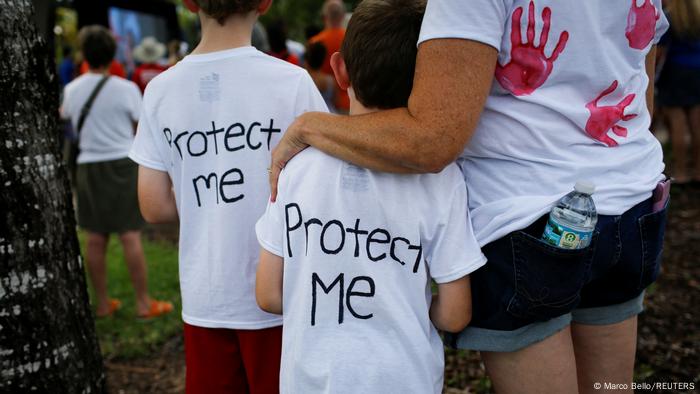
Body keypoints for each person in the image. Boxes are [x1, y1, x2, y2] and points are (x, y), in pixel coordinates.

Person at [270, 0, 670, 393]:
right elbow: (642, 73)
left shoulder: (306, 176)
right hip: (629, 198)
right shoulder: (441, 192)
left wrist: (308, 127)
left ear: (341, 69)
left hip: (523, 215)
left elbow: (433, 140)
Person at [255, 1, 484, 392]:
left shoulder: (294, 168)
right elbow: (455, 313)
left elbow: (268, 294)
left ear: (340, 70)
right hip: (405, 380)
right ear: (427, 80)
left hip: (309, 380)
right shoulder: (440, 179)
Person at [129, 0, 328, 392]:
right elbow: (322, 181)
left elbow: (153, 207)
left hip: (206, 295)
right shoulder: (292, 82)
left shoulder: (160, 91)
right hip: (279, 293)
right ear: (265, 3)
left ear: (188, 4)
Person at [60, 25, 173, 319]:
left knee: (96, 238)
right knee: (130, 235)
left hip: (88, 167)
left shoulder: (72, 90)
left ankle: (101, 305)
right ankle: (143, 303)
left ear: (84, 55)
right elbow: (140, 130)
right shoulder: (126, 89)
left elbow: (68, 121)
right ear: (113, 56)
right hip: (123, 165)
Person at [658, 0, 700, 184]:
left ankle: (681, 172)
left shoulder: (671, 17)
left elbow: (659, 51)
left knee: (678, 123)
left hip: (676, 71)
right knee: (697, 123)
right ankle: (698, 169)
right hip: (698, 70)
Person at [309, 0, 349, 112]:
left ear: (324, 17)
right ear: (343, 16)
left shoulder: (315, 43)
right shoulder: (353, 40)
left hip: (323, 106)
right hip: (351, 103)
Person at [305, 42, 335, 112]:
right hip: (330, 114)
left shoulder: (304, 80)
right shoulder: (330, 81)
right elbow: (336, 103)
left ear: (307, 60)